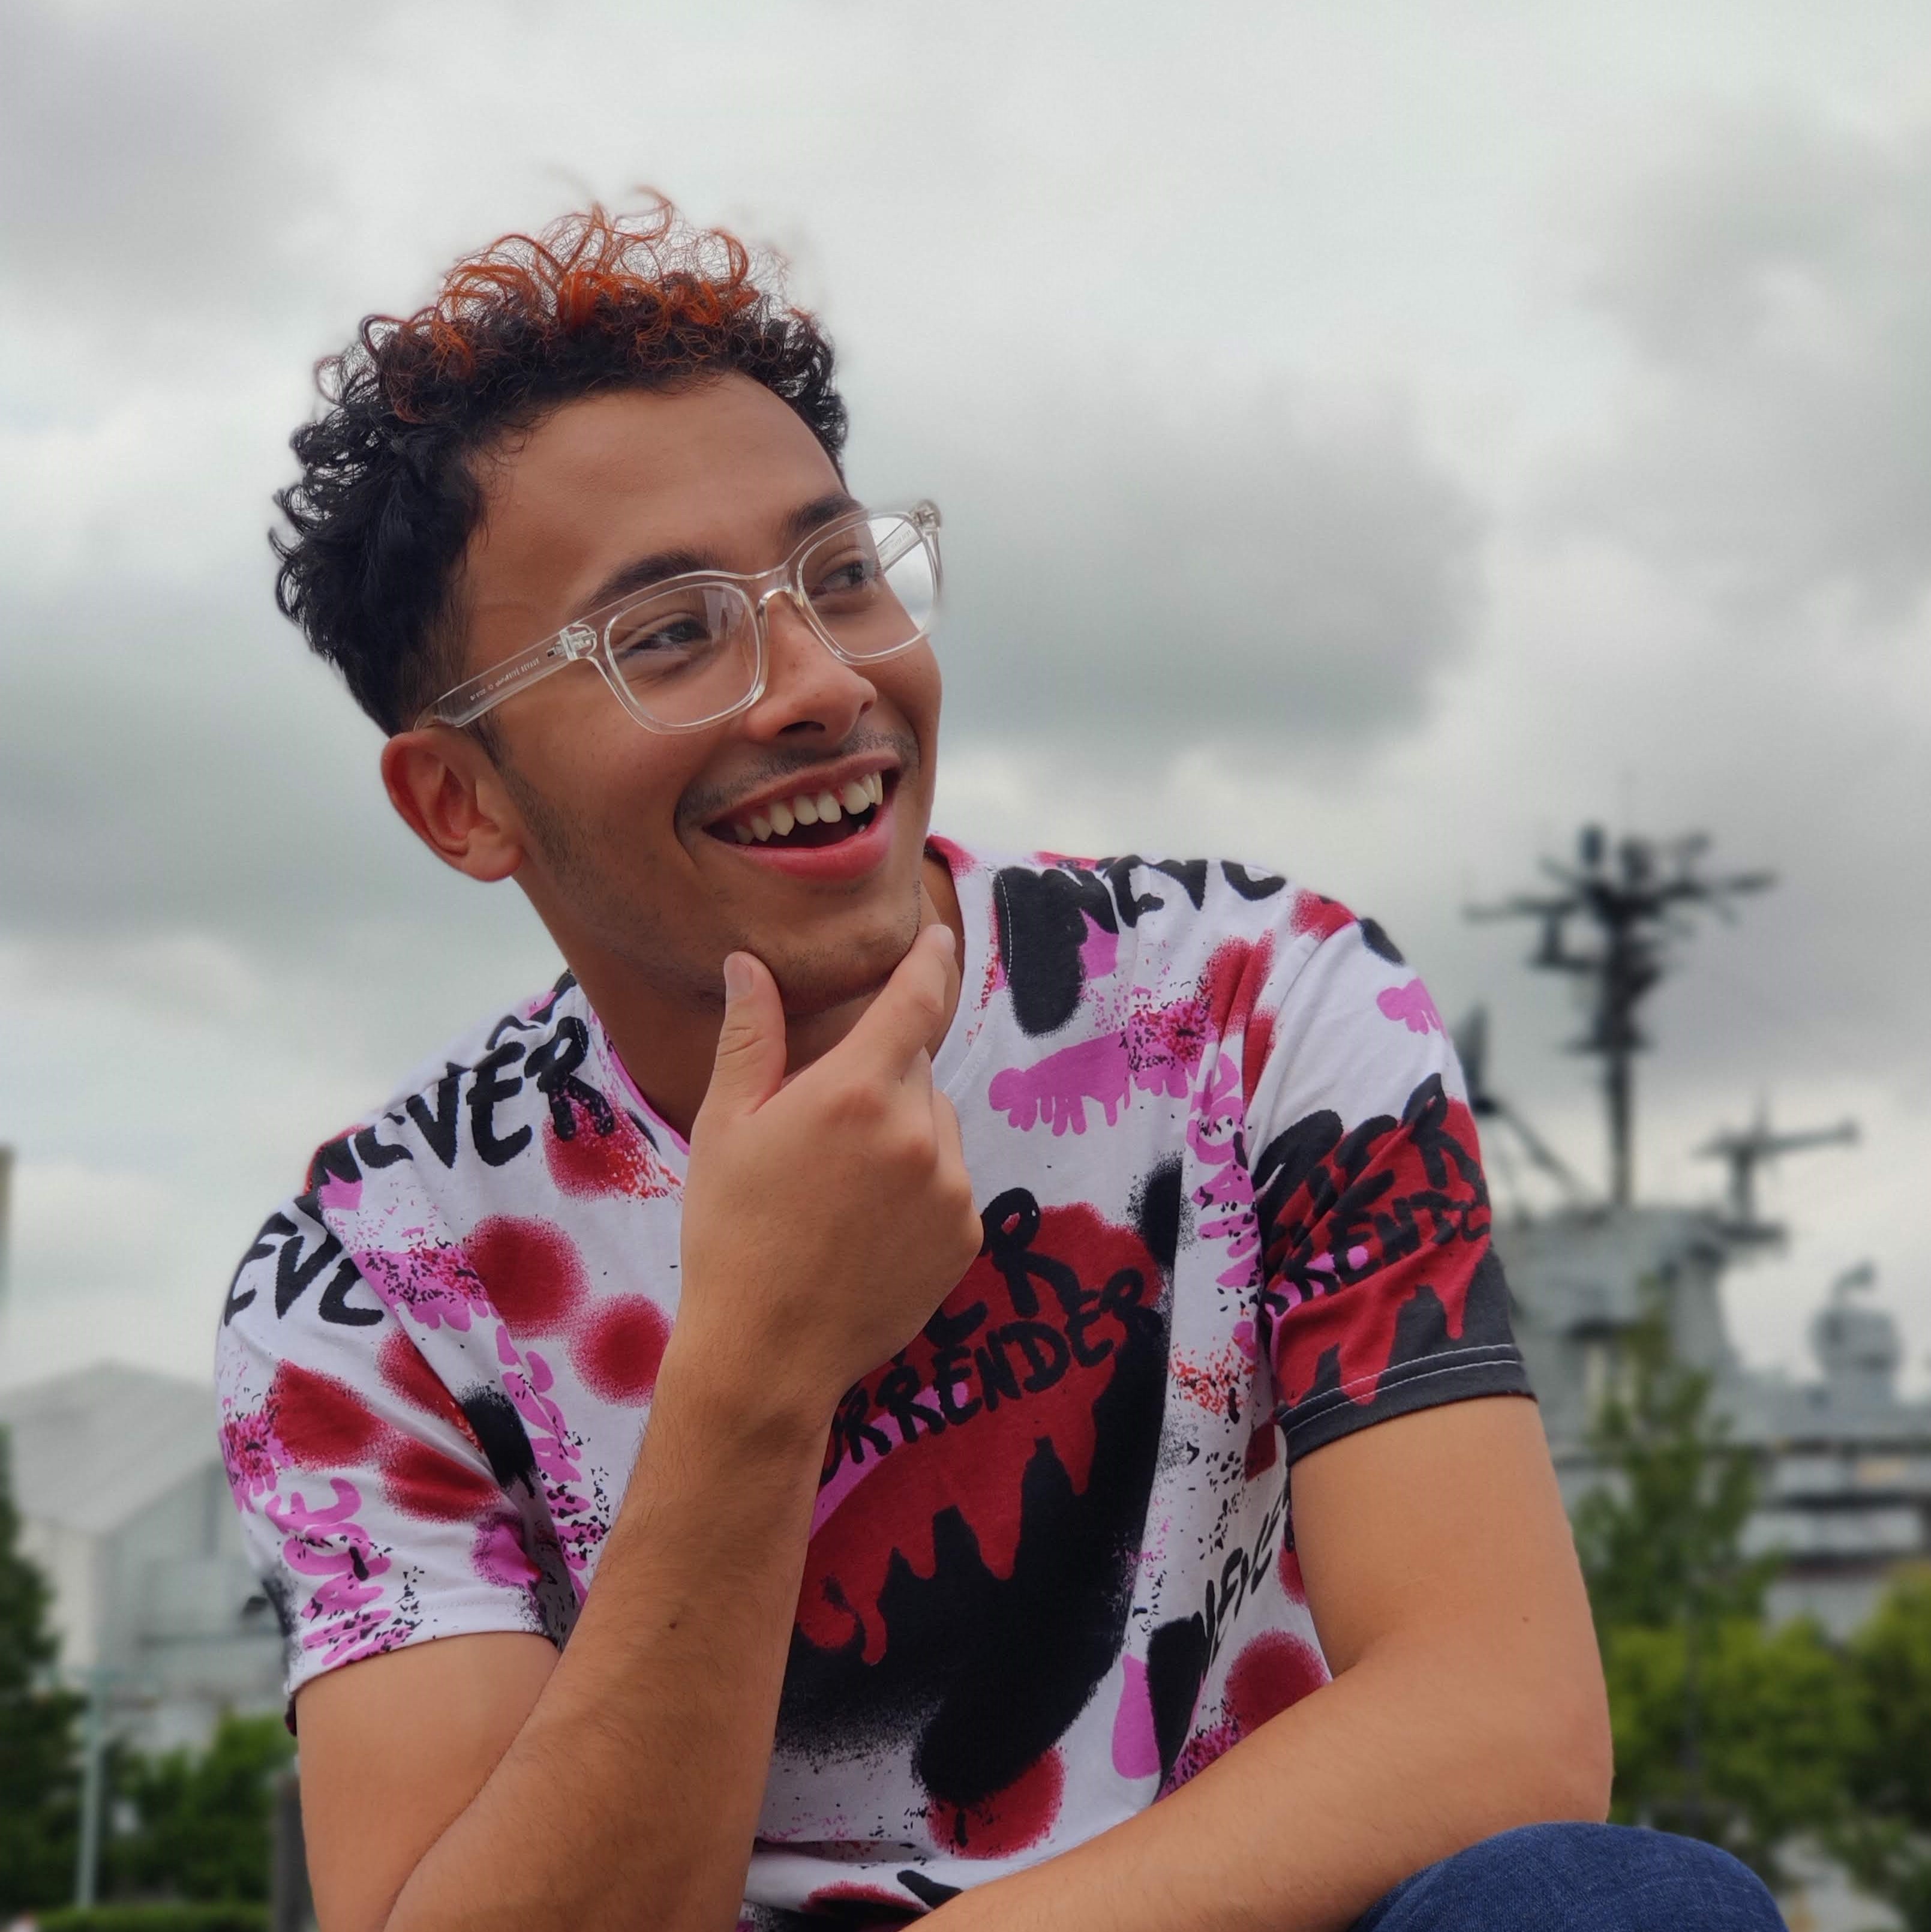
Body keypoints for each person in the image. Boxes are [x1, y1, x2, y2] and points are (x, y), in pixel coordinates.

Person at [215, 201, 1782, 1932]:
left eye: (840, 575)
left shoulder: (1260, 1004)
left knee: (1616, 1905)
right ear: (461, 801)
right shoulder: (373, 1278)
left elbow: (1502, 1717)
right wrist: (752, 1373)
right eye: (666, 636)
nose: (820, 684)